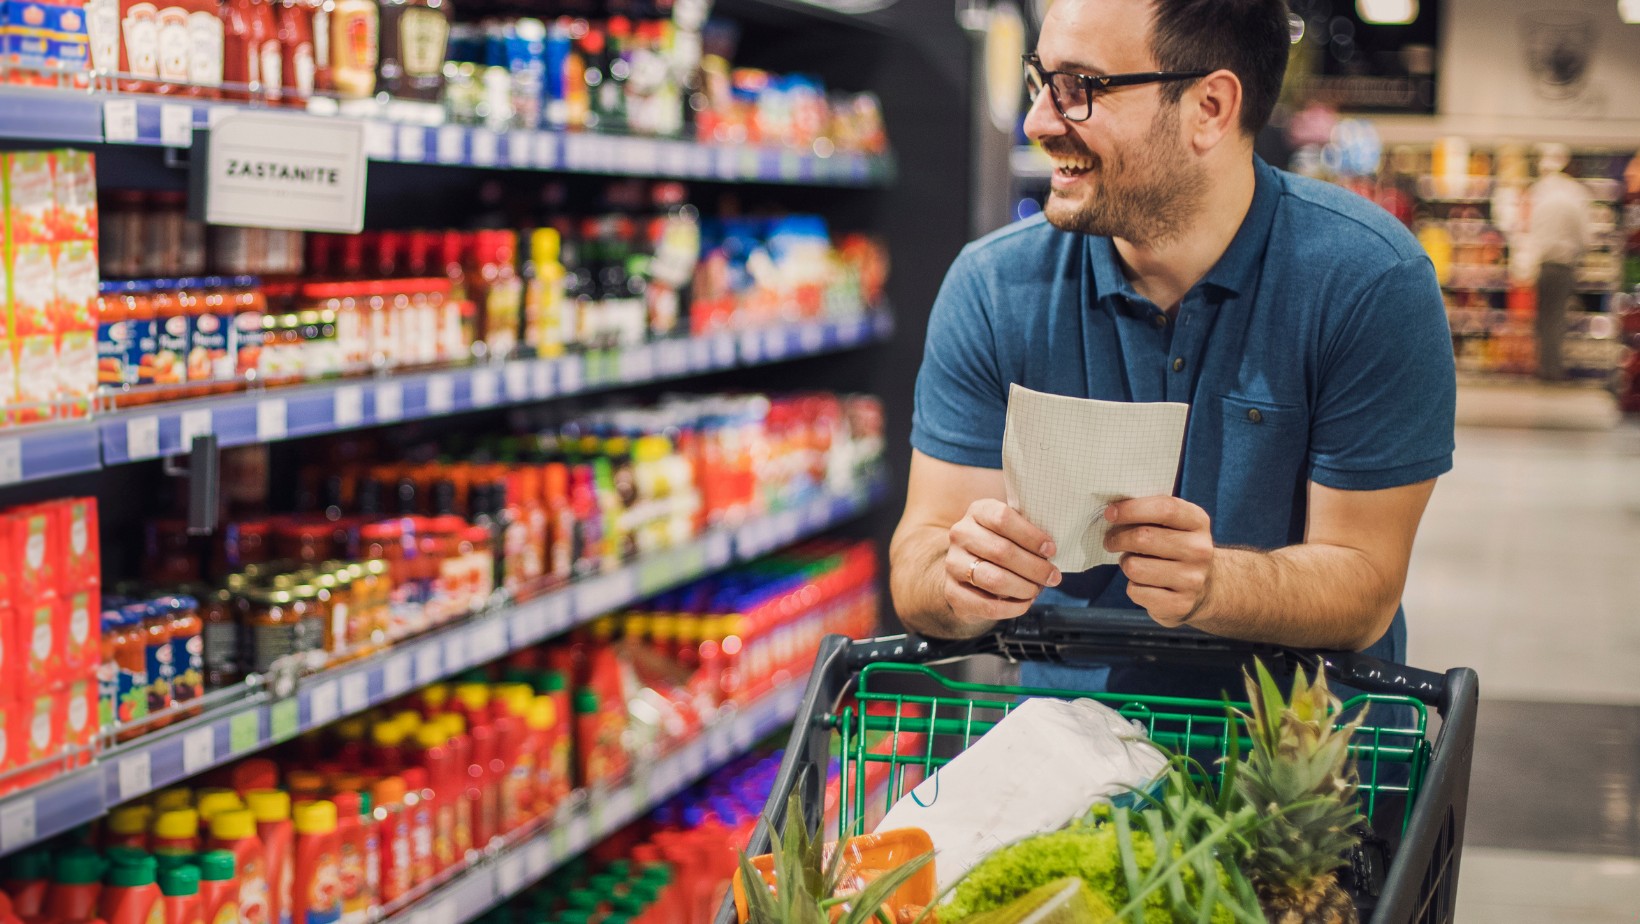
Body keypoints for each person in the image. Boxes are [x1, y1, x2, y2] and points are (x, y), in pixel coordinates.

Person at [888, 0, 1457, 694]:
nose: (1037, 121)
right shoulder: (994, 286)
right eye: (1041, 81)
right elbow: (918, 560)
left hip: (1297, 749)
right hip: (1062, 748)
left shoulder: (1367, 281)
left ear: (1209, 109)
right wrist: (959, 577)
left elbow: (1365, 584)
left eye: (1080, 87)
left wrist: (1215, 583)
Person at [1527, 143, 1592, 383]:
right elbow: (1585, 235)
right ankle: (1553, 370)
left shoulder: (1539, 191)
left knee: (1544, 318)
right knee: (1557, 317)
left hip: (1544, 265)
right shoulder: (1576, 193)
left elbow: (1529, 230)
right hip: (1564, 264)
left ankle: (1544, 367)